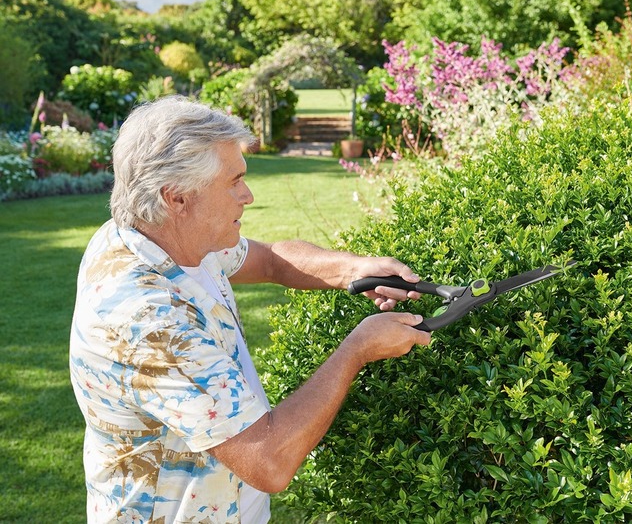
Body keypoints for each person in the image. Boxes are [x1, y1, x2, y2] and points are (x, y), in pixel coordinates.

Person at [69, 95, 431, 523]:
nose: (249, 195)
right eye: (233, 181)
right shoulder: (150, 321)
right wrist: (357, 349)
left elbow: (270, 260)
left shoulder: (164, 237)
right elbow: (268, 461)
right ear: (177, 197)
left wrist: (353, 269)